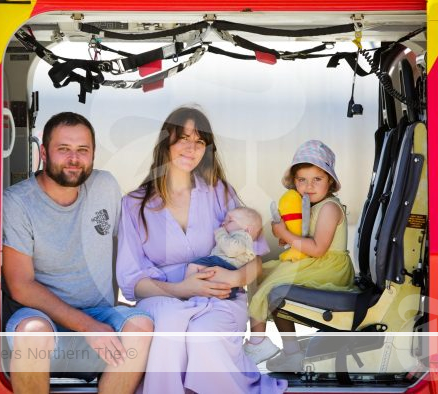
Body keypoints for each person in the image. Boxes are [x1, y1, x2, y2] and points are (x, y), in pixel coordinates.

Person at [117, 106, 287, 393]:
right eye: (183, 138)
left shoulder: (219, 192)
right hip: (162, 298)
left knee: (204, 337)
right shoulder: (134, 204)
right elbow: (134, 283)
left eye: (199, 141)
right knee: (169, 327)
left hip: (221, 297)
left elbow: (255, 260)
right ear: (165, 142)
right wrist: (183, 288)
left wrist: (233, 279)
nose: (191, 148)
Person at [2, 112, 153, 394]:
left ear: (93, 154)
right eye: (64, 149)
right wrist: (88, 327)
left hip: (100, 312)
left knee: (141, 327)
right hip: (41, 315)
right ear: (44, 153)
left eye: (83, 150)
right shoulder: (17, 202)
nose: (74, 159)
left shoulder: (105, 185)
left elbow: (132, 246)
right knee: (32, 336)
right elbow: (20, 285)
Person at [244, 139, 355, 371]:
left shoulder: (329, 208)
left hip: (328, 267)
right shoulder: (306, 207)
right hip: (311, 262)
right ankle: (292, 352)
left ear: (330, 182)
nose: (309, 186)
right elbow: (301, 242)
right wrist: (287, 237)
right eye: (302, 180)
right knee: (259, 274)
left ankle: (257, 343)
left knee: (273, 285)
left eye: (317, 179)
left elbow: (317, 248)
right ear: (294, 182)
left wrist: (285, 233)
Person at [185, 206, 263, 299]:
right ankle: (191, 288)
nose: (223, 223)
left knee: (194, 265)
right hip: (225, 266)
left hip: (224, 264)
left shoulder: (243, 236)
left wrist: (220, 233)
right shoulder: (239, 237)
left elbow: (232, 250)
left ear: (247, 229)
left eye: (230, 221)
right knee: (201, 272)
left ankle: (188, 288)